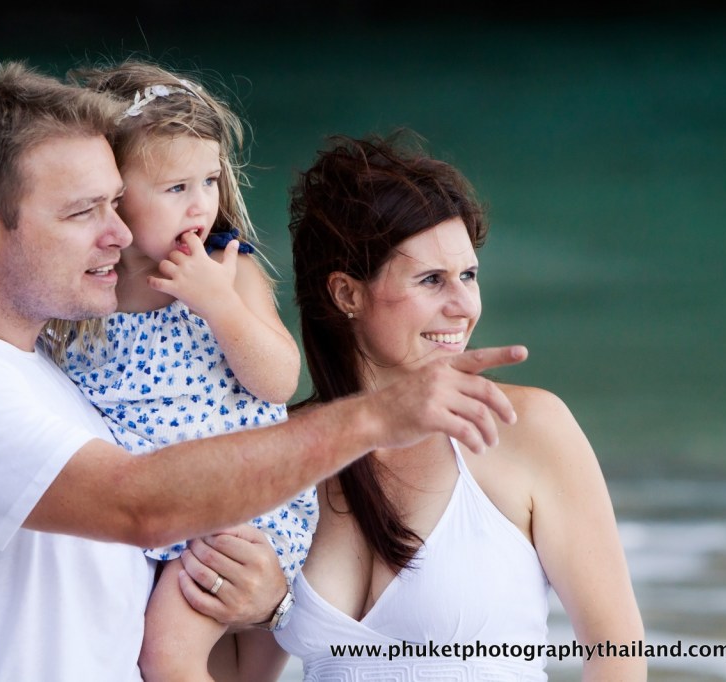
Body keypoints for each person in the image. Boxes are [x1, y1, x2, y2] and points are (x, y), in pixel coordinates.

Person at [0, 60, 527, 682]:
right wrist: (376, 416)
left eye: (116, 202)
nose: (119, 233)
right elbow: (143, 505)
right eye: (83, 211)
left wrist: (266, 604)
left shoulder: (52, 374)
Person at [270, 132, 646, 680]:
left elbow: (618, 655)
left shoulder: (525, 428)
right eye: (431, 280)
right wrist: (270, 608)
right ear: (346, 293)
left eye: (469, 275)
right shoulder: (282, 451)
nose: (464, 305)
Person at [44, 60, 316, 680]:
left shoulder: (227, 269)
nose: (201, 205)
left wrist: (219, 304)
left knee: (168, 658)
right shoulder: (86, 295)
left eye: (210, 180)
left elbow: (280, 380)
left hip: (239, 508)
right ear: (112, 196)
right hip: (157, 517)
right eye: (175, 189)